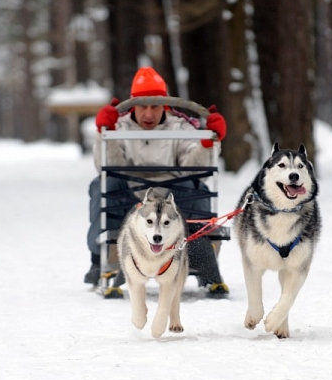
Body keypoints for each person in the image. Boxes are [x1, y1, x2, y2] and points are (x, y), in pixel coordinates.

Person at [84, 66, 229, 298]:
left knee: (198, 187)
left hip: (174, 195)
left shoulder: (181, 127)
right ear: (133, 105)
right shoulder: (119, 125)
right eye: (142, 106)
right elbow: (106, 168)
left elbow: (198, 170)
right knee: (101, 185)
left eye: (155, 106)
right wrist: (105, 134)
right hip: (129, 195)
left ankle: (201, 252)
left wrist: (208, 142)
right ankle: (101, 257)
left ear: (165, 105)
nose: (149, 114)